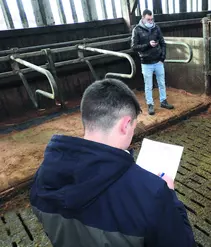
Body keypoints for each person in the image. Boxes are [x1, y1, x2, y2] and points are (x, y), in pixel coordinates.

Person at [29, 78, 196, 247]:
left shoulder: (42, 178)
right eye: (133, 126)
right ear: (125, 125)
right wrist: (170, 196)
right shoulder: (154, 193)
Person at [131, 9, 174, 115]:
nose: (150, 21)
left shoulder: (156, 28)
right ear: (143, 18)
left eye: (152, 19)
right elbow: (134, 47)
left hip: (158, 61)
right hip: (146, 62)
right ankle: (150, 104)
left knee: (162, 83)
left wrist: (162, 58)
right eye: (148, 19)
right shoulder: (137, 30)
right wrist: (148, 45)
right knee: (148, 85)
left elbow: (163, 43)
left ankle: (163, 101)